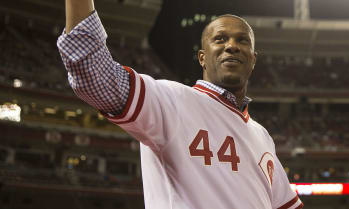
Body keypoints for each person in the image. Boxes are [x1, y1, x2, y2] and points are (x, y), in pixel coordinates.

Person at [57, 0, 303, 208]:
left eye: (242, 40)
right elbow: (93, 74)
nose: (232, 46)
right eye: (220, 39)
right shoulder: (171, 100)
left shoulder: (261, 135)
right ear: (202, 58)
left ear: (253, 59)